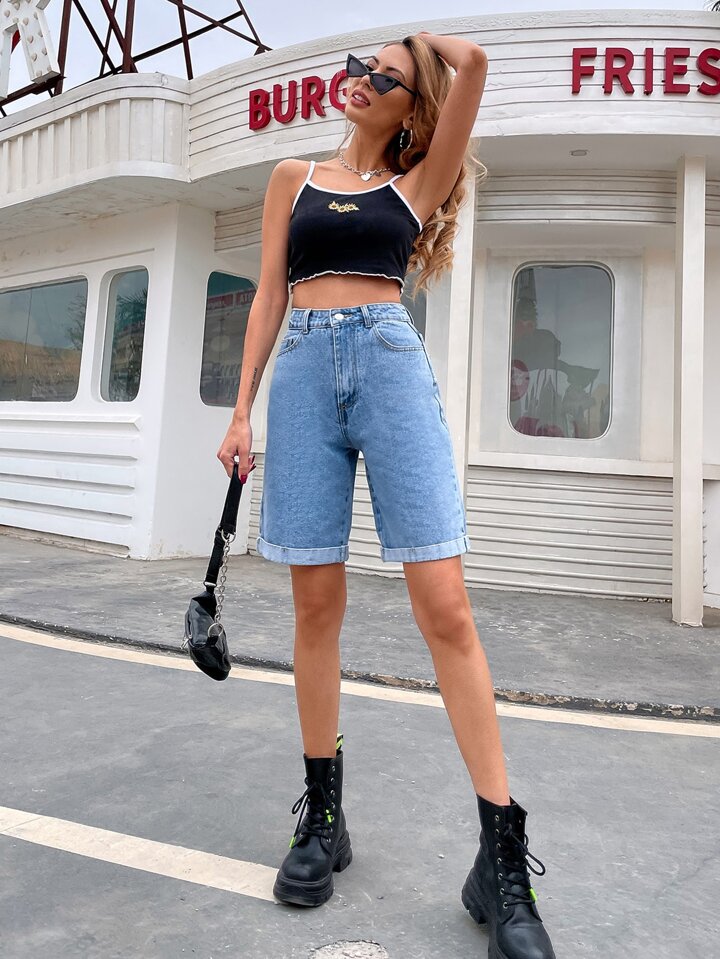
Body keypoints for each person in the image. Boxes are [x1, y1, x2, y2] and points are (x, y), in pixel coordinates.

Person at [217, 33, 557, 959]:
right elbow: (267, 296)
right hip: (299, 375)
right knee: (314, 604)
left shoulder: (416, 186)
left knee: (445, 606)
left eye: (387, 77)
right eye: (360, 68)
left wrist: (426, 48)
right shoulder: (292, 178)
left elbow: (473, 66)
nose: (362, 81)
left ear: (414, 109)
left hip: (389, 367)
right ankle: (324, 817)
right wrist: (241, 411)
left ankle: (500, 857)